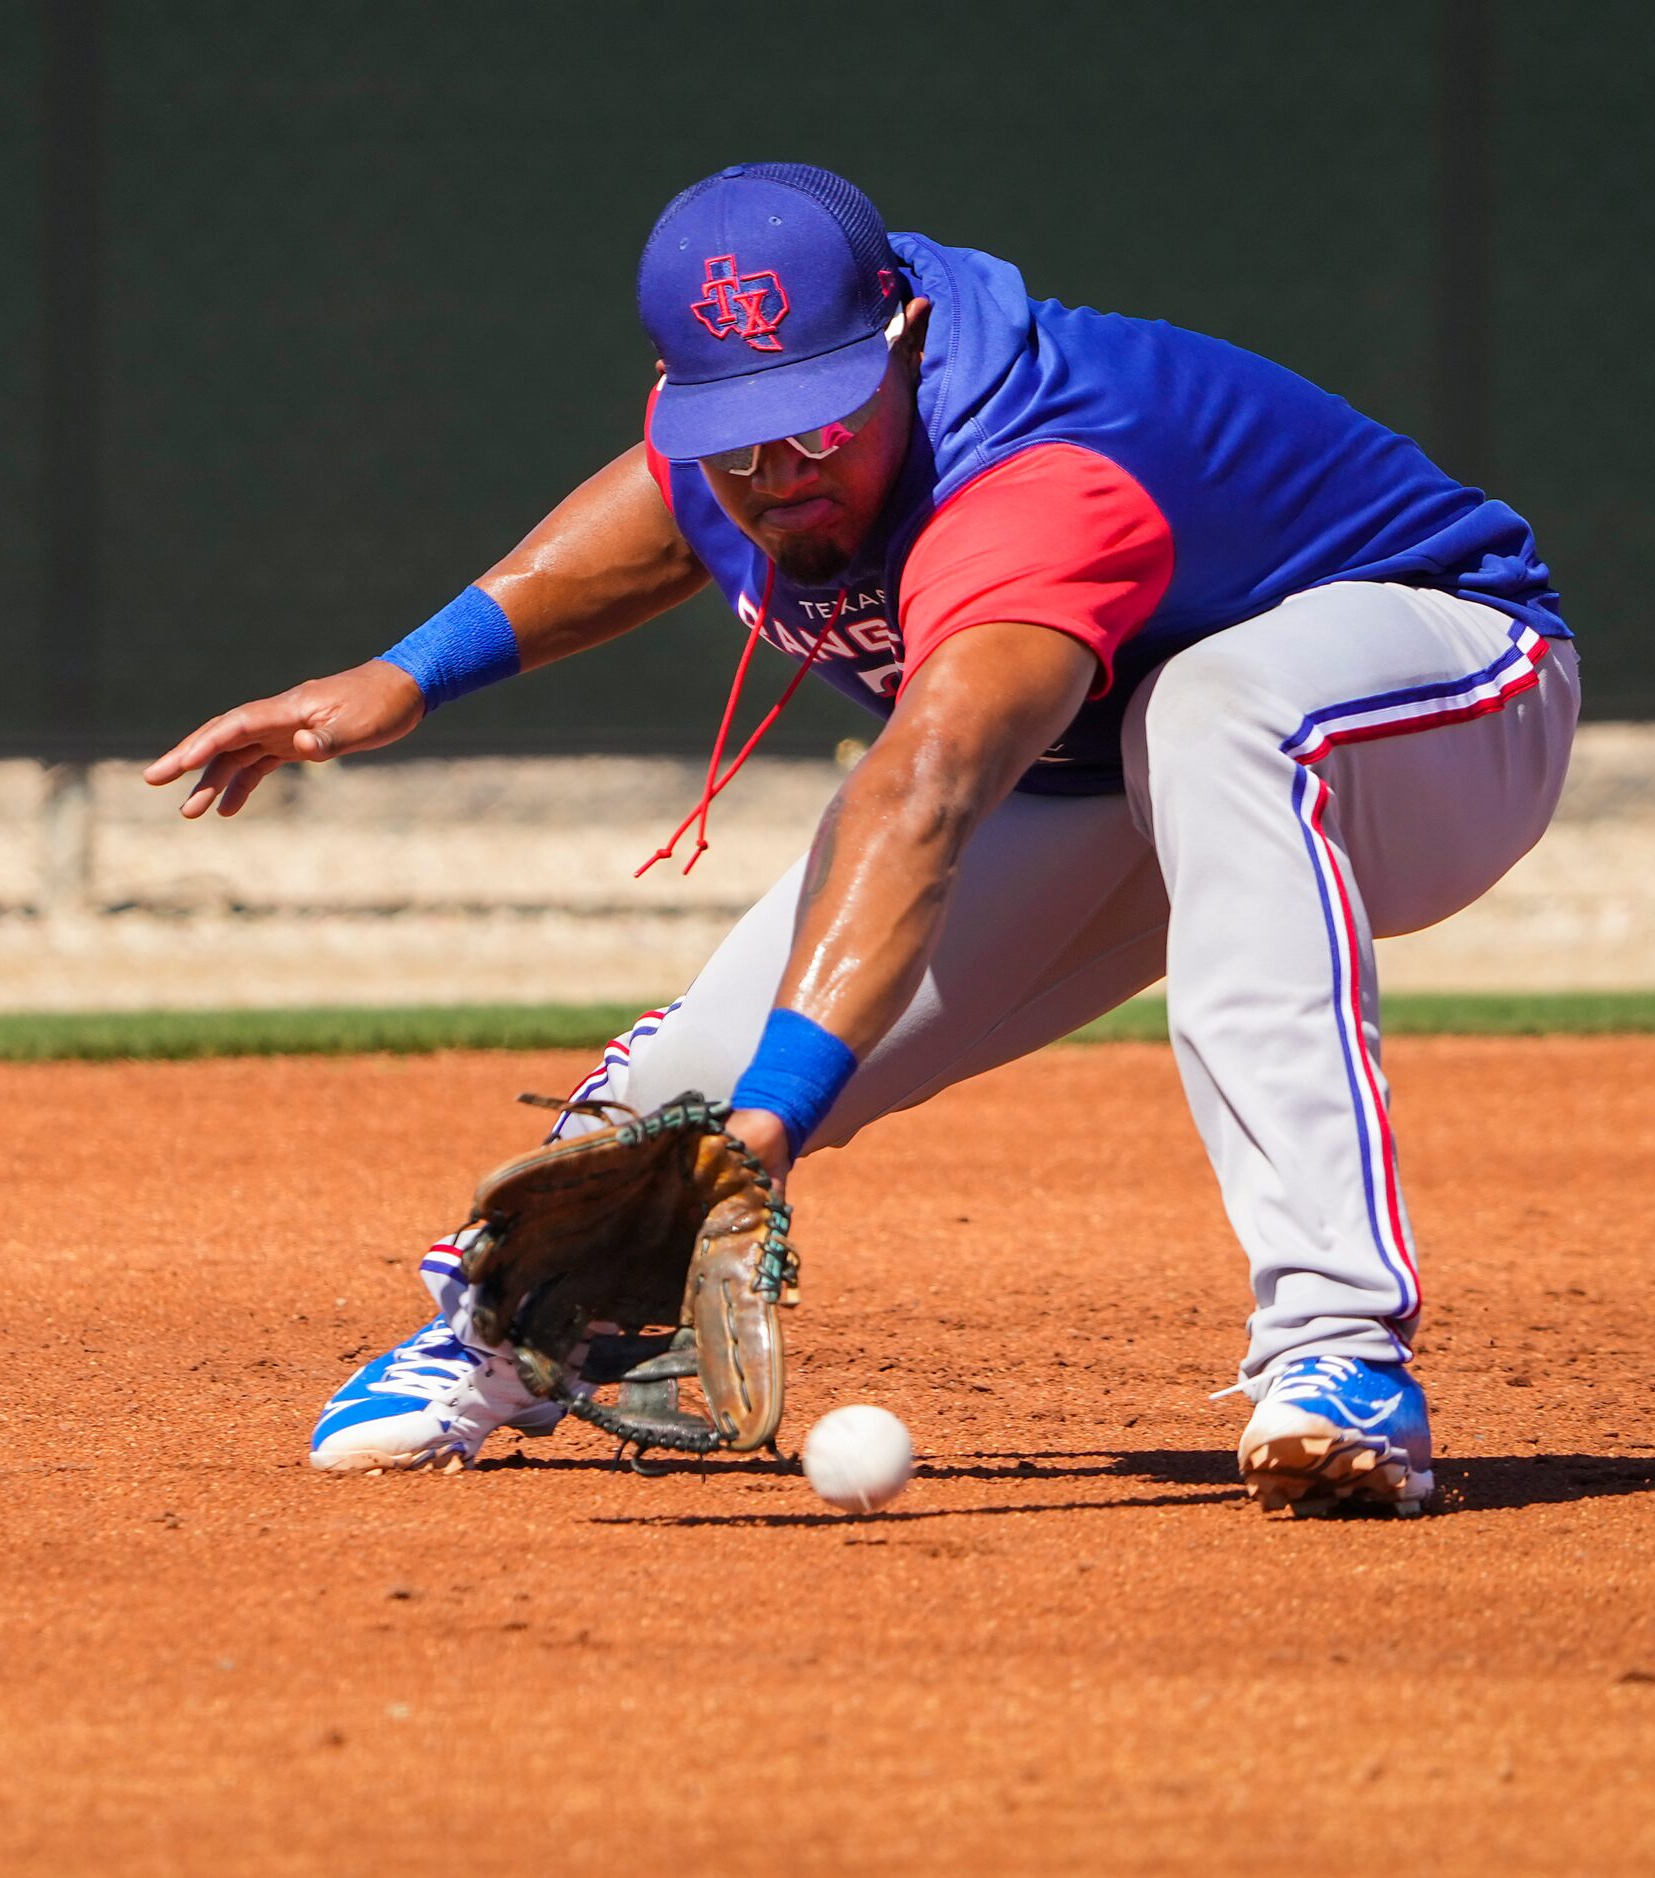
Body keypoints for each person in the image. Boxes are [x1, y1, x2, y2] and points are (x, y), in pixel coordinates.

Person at [144, 162, 1575, 1514]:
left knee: (1212, 714)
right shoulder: (736, 446)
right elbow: (658, 504)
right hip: (1100, 765)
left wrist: (769, 1132)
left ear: (899, 333)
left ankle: (1337, 1350)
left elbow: (929, 784)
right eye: (737, 435)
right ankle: (511, 1325)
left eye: (818, 420)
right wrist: (405, 675)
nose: (778, 471)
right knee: (690, 1080)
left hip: (1440, 697)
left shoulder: (1034, 470)